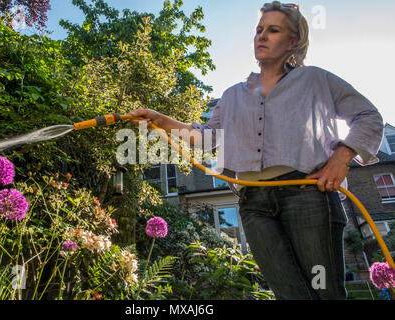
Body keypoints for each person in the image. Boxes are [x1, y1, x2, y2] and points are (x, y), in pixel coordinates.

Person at [127, 1, 384, 299]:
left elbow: (368, 116)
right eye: (259, 30)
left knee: (324, 291)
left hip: (308, 196)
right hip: (253, 205)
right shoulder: (233, 94)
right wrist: (160, 120)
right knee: (291, 295)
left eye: (273, 30)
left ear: (292, 42)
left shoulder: (316, 79)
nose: (261, 36)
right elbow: (206, 138)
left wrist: (341, 158)